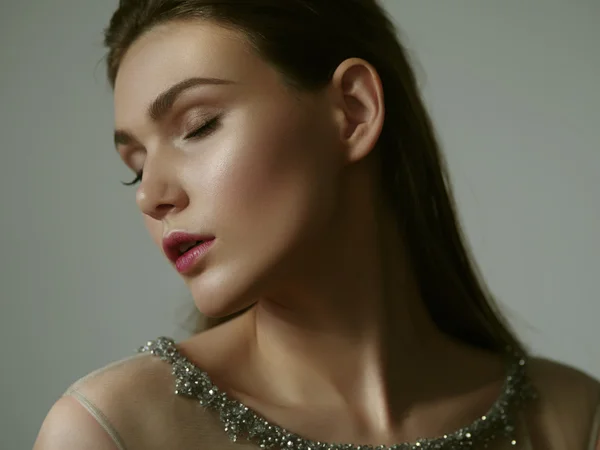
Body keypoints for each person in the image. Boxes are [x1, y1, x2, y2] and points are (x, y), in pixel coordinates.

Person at [34, 1, 600, 449]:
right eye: (135, 168)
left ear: (353, 111)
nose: (152, 198)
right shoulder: (112, 432)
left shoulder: (574, 420)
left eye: (199, 125)